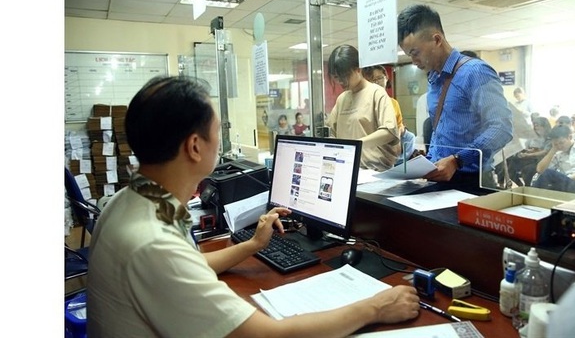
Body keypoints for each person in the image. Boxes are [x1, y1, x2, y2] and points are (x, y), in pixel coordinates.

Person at [86, 76, 420, 337]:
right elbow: (269, 336)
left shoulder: (126, 203)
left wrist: (252, 245)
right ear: (194, 146)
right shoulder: (152, 243)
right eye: (217, 131)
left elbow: (191, 264)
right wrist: (375, 308)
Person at [397, 4, 513, 188]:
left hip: (472, 180)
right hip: (439, 177)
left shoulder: (475, 72)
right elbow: (441, 131)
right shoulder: (434, 79)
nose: (413, 61)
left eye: (415, 53)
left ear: (436, 40)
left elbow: (502, 128)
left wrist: (457, 160)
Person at [326, 45, 400, 171]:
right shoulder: (342, 99)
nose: (341, 81)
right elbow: (331, 132)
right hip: (348, 169)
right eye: (337, 78)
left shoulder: (376, 93)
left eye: (345, 76)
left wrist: (357, 145)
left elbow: (389, 132)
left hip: (374, 170)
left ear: (358, 69)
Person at [361, 65, 416, 164]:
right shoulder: (366, 104)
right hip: (376, 141)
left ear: (386, 78)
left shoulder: (393, 103)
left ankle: (398, 163)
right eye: (373, 80)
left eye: (380, 78)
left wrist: (398, 137)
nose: (377, 82)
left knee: (410, 137)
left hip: (393, 139)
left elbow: (399, 125)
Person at [532, 124, 575, 195]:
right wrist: (553, 150)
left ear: (570, 137)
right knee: (546, 183)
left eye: (561, 143)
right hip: (567, 184)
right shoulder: (558, 153)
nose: (559, 146)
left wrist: (571, 177)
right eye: (555, 144)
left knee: (549, 173)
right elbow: (540, 169)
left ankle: (531, 196)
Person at [506, 116, 553, 186]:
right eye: (535, 125)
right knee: (510, 160)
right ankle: (517, 183)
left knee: (527, 170)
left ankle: (528, 186)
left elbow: (545, 152)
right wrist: (526, 151)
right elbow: (529, 147)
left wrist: (529, 154)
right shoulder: (533, 136)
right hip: (529, 157)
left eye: (537, 125)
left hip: (540, 160)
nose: (536, 127)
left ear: (544, 126)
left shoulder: (549, 138)